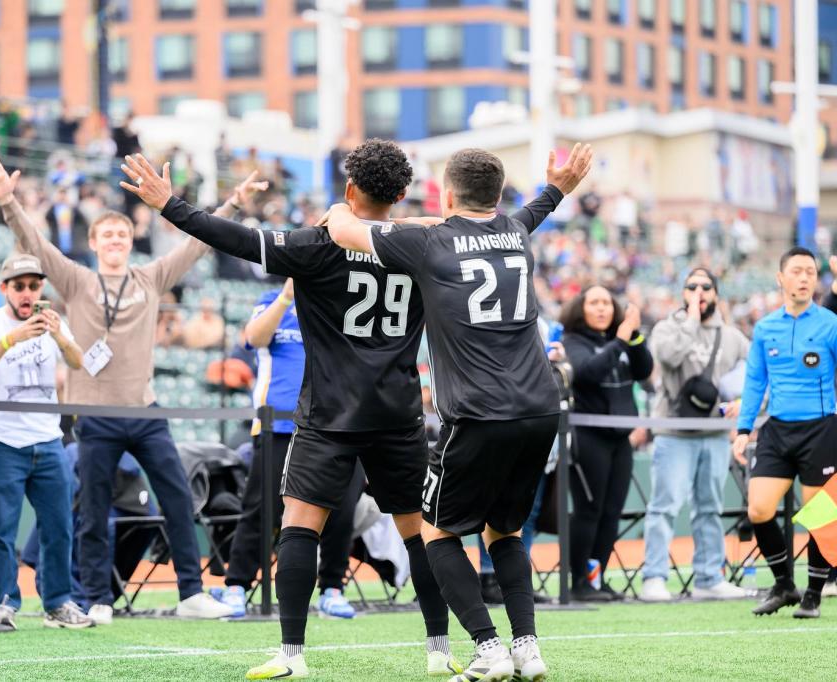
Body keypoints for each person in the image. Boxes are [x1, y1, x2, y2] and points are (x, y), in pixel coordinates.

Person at [120, 139, 588, 680]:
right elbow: (500, 224)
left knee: (301, 526)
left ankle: (292, 654)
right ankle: (440, 649)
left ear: (348, 189)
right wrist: (554, 190)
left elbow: (237, 239)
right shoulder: (426, 239)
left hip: (331, 412)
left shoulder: (317, 243)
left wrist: (169, 205)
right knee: (419, 533)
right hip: (400, 413)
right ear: (403, 194)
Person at [327, 144, 594, 682]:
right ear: (496, 196)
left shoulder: (429, 240)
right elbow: (533, 211)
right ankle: (527, 649)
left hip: (477, 413)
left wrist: (342, 204)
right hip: (539, 408)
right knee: (505, 532)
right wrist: (559, 186)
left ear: (447, 194)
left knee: (438, 533)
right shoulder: (515, 234)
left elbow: (342, 229)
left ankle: (488, 648)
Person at [0, 157, 265, 624]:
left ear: (130, 243)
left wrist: (234, 201)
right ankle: (98, 597)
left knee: (177, 497)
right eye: (106, 236)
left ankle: (191, 592)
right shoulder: (76, 280)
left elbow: (198, 244)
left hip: (145, 410)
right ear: (93, 244)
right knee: (93, 511)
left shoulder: (150, 278)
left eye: (121, 236)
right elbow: (35, 242)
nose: (115, 241)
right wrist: (9, 202)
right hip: (95, 415)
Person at [214, 279, 360, 620]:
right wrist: (285, 297)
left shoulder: (338, 300)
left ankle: (332, 588)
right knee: (260, 507)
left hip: (336, 424)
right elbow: (253, 339)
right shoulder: (271, 300)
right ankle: (237, 585)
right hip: (277, 423)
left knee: (341, 511)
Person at [0, 253, 91, 630]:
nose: (27, 293)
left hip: (48, 438)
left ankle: (57, 602)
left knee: (59, 526)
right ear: (4, 289)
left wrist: (56, 334)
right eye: (19, 286)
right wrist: (12, 337)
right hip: (1, 441)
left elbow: (77, 360)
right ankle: (4, 603)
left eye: (34, 286)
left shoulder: (53, 322)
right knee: (2, 529)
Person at [733, 247, 837, 619]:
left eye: (810, 271)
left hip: (822, 428)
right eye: (797, 271)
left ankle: (813, 593)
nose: (805, 277)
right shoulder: (765, 327)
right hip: (777, 428)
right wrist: (744, 429)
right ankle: (784, 584)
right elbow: (756, 380)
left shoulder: (830, 324)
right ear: (781, 278)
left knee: (819, 515)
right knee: (759, 508)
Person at [642, 269, 750, 602]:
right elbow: (668, 356)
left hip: (714, 432)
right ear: (683, 292)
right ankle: (654, 577)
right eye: (692, 286)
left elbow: (756, 371)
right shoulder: (667, 328)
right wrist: (690, 318)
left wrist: (742, 402)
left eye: (706, 287)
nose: (699, 291)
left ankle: (708, 576)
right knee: (664, 506)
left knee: (709, 507)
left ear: (717, 293)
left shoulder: (731, 336)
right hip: (673, 430)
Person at [560, 286, 653, 602]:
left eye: (606, 303)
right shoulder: (574, 341)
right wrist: (621, 340)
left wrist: (634, 335)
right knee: (589, 510)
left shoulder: (623, 338)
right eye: (594, 303)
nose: (602, 309)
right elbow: (587, 373)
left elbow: (644, 370)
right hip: (588, 438)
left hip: (620, 439)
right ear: (581, 309)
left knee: (612, 512)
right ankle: (579, 583)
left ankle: (596, 580)